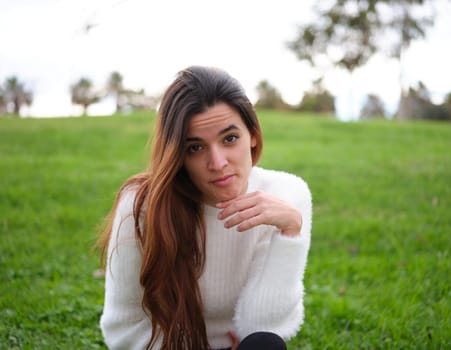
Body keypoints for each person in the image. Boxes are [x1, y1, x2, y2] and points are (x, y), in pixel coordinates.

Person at [98, 66, 312, 350]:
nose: (218, 162)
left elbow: (263, 329)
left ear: (253, 136)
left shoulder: (287, 194)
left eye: (230, 138)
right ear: (178, 156)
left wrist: (290, 234)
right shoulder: (142, 206)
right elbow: (123, 328)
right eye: (196, 148)